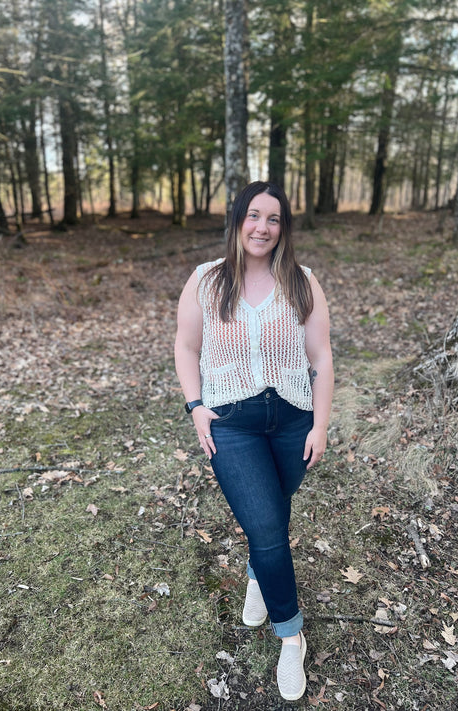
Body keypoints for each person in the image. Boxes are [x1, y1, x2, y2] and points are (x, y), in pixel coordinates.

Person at [174, 181, 334, 701]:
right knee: (267, 529)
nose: (262, 228)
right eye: (254, 216)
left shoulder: (302, 281)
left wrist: (321, 423)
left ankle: (258, 578)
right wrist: (196, 407)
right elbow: (185, 344)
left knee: (273, 513)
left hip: (293, 419)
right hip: (232, 424)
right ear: (237, 219)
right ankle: (292, 638)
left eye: (274, 219)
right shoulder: (206, 280)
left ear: (283, 228)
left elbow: (322, 357)